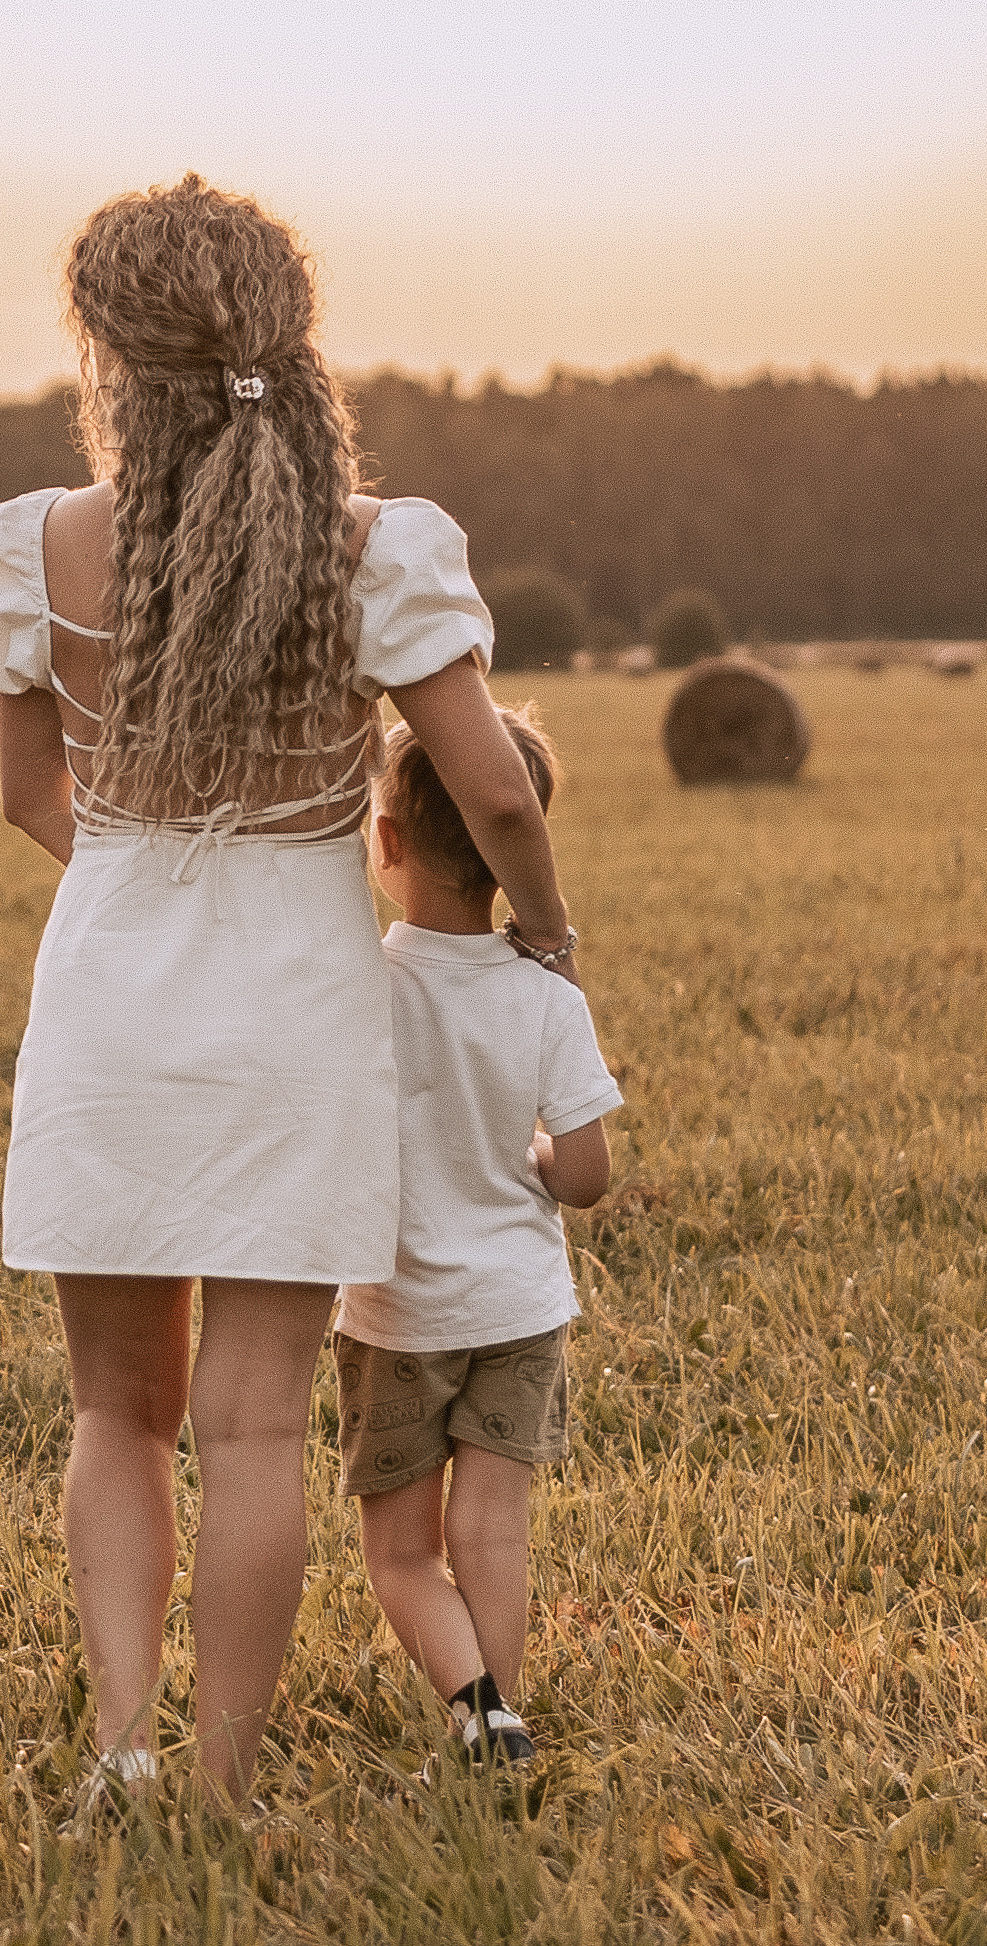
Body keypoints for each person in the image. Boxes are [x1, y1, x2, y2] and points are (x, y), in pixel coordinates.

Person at [0, 176, 580, 1808]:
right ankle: (227, 1783)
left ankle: (123, 1750)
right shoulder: (381, 547)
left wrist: (145, 898)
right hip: (300, 1023)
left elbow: (33, 796)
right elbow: (495, 794)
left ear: (107, 355)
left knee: (115, 1409)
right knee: (246, 1430)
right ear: (287, 341)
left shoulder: (36, 540)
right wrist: (551, 933)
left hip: (111, 1006)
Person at [333, 705, 622, 1775]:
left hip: (397, 1310)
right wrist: (532, 1159)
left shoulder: (356, 981)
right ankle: (500, 1725)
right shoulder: (547, 993)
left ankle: (476, 1704)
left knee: (402, 1551)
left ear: (388, 841)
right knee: (493, 1531)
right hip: (518, 1307)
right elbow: (587, 1176)